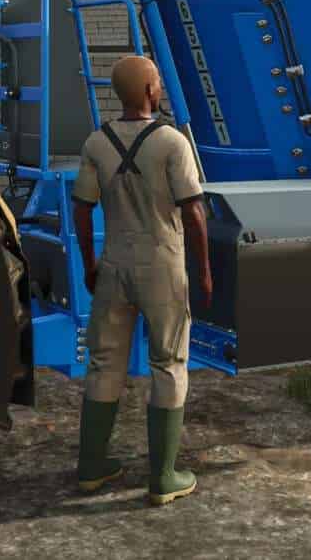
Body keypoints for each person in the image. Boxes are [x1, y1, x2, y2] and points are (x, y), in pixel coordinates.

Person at [70, 54, 212, 506]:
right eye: (158, 83)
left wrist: (90, 263)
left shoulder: (97, 142)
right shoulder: (172, 142)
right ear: (151, 90)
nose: (161, 89)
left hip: (113, 264)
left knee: (103, 362)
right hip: (162, 265)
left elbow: (81, 209)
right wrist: (203, 272)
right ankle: (163, 477)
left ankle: (91, 468)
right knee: (168, 362)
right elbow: (194, 213)